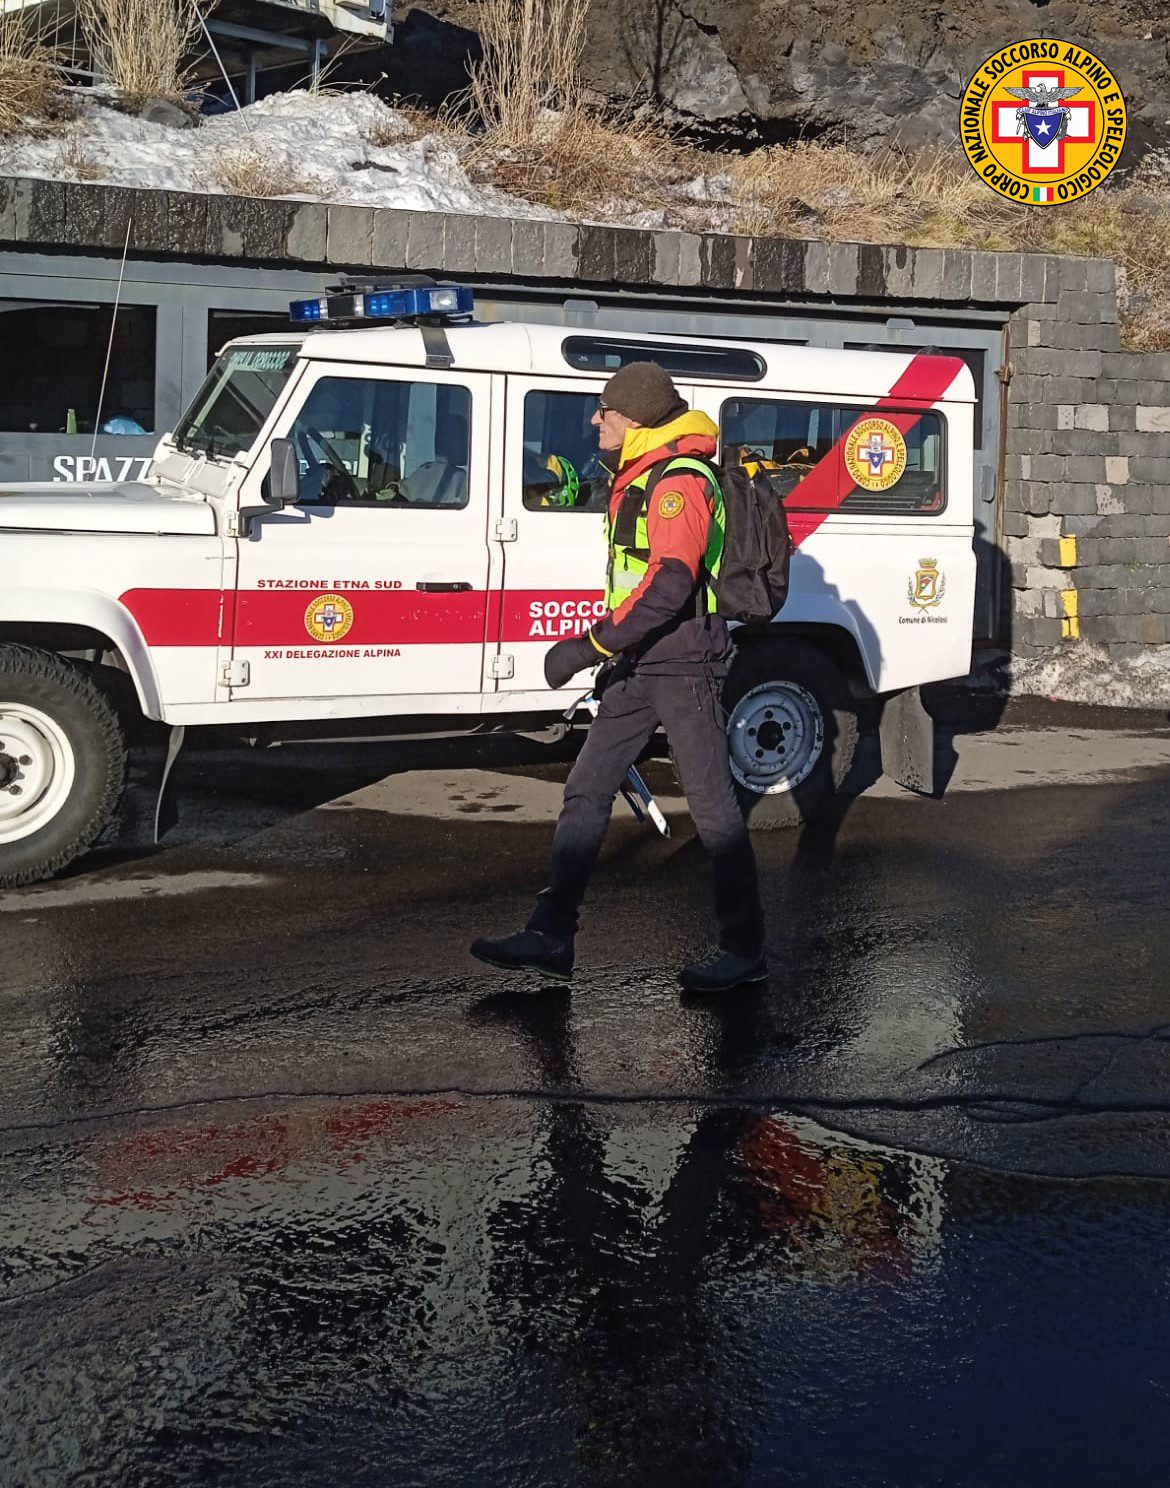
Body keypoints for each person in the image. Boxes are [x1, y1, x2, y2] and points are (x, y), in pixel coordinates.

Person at [471, 362, 766, 994]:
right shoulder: (644, 472)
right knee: (587, 787)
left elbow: (670, 584)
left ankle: (745, 950)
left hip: (684, 662)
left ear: (631, 417)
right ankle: (551, 935)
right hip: (641, 661)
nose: (594, 419)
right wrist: (613, 657)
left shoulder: (679, 482)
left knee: (713, 810)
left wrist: (587, 647)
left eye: (603, 410)